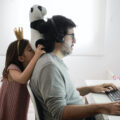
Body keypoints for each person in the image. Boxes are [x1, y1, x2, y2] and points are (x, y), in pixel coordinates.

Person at [30, 15, 120, 120]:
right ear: (59, 37)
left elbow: (63, 95)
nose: (75, 40)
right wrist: (102, 108)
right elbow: (59, 113)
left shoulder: (52, 61)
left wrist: (90, 89)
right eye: (72, 36)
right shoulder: (49, 67)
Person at [0, 27, 45, 120]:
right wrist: (36, 55)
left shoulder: (25, 70)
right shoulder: (12, 68)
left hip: (19, 108)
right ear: (21, 58)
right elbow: (22, 79)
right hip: (9, 108)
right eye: (30, 50)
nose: (34, 51)